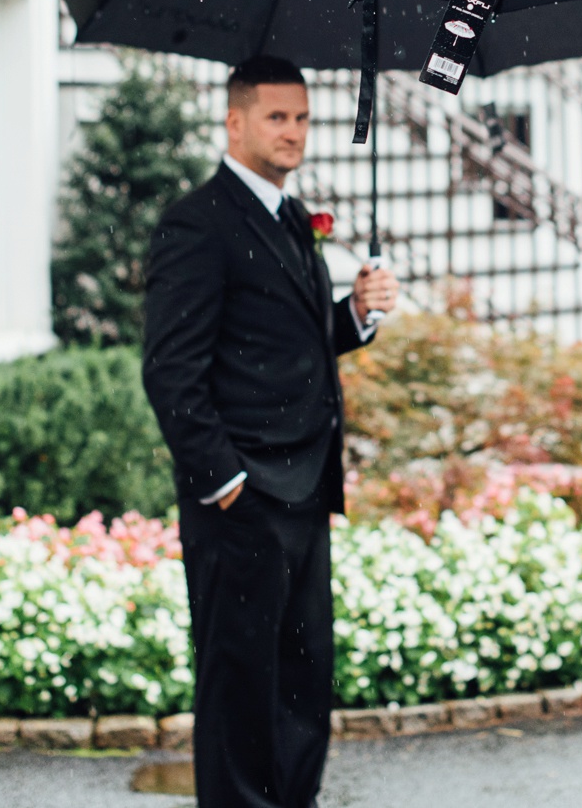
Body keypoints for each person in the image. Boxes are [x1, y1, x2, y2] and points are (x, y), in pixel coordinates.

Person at [141, 55, 400, 808]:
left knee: (301, 680)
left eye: (303, 117)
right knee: (241, 691)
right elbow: (171, 371)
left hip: (307, 487)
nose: (294, 132)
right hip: (243, 498)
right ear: (236, 120)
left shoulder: (292, 216)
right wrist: (226, 483)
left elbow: (289, 341)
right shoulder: (198, 222)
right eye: (277, 117)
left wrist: (353, 315)